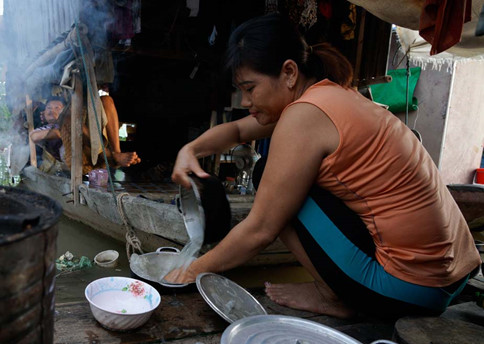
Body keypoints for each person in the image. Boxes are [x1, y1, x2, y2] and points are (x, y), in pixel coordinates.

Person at [167, 13, 481, 319]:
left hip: (409, 289)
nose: (246, 101)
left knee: (268, 179)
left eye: (250, 88)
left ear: (289, 73)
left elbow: (260, 231)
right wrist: (191, 149)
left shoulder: (304, 116)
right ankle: (339, 287)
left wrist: (192, 270)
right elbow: (238, 131)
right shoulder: (333, 97)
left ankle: (334, 295)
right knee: (284, 183)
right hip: (451, 277)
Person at [30, 94, 140, 171]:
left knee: (106, 100)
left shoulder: (72, 119)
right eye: (48, 108)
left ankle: (116, 153)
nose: (51, 110)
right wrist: (60, 132)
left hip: (92, 145)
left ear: (64, 110)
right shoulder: (44, 128)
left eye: (57, 107)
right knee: (70, 121)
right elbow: (34, 136)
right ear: (43, 114)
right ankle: (113, 157)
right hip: (76, 157)